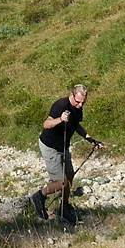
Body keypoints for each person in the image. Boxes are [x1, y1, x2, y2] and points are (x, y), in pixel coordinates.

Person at [30, 84, 104, 224]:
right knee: (62, 182)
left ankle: (63, 208)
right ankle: (39, 196)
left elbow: (76, 125)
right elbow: (46, 124)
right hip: (50, 146)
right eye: (78, 101)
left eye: (83, 102)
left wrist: (90, 139)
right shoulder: (60, 105)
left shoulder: (78, 108)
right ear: (72, 95)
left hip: (63, 147)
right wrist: (60, 119)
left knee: (69, 177)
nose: (80, 105)